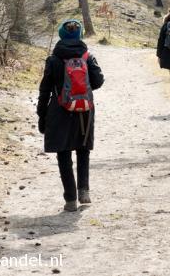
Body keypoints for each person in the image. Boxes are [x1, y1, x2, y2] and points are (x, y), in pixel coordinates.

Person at [37, 19, 104, 212]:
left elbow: (45, 91)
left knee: (63, 153)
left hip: (59, 111)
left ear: (61, 35)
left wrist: (42, 116)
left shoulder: (53, 59)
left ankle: (70, 200)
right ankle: (84, 191)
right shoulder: (87, 56)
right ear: (80, 34)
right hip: (84, 109)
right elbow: (98, 81)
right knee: (83, 150)